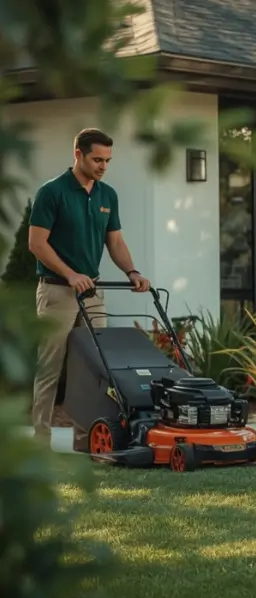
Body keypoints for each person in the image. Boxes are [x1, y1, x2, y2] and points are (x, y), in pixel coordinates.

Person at [27, 128, 150, 447]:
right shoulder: (52, 192)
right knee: (50, 365)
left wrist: (132, 271)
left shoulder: (108, 195)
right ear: (78, 154)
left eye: (108, 160)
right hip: (57, 291)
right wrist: (69, 274)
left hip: (93, 292)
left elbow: (116, 241)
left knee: (97, 368)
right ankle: (41, 440)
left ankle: (89, 439)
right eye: (97, 159)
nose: (103, 166)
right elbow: (37, 244)